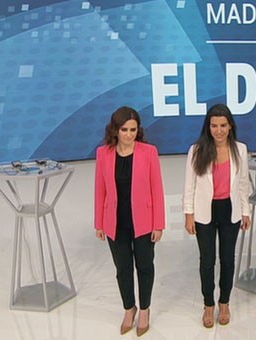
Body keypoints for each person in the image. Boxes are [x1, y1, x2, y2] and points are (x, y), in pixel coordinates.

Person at [94, 106, 165, 337]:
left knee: (145, 267)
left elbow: (157, 189)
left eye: (133, 129)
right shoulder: (103, 153)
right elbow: (100, 189)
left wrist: (158, 224)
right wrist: (99, 222)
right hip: (115, 222)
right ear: (115, 130)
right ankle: (129, 308)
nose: (129, 134)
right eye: (124, 129)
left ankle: (144, 310)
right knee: (123, 269)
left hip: (143, 222)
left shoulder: (149, 152)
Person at [183, 104, 251, 328]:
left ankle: (224, 302)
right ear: (208, 126)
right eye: (214, 126)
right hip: (205, 212)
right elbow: (189, 185)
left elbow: (242, 184)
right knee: (207, 261)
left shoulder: (240, 149)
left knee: (228, 260)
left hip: (229, 211)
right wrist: (188, 214)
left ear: (230, 126)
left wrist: (245, 211)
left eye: (223, 125)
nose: (219, 130)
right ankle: (208, 304)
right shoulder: (197, 150)